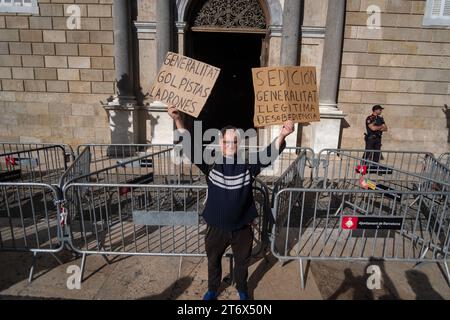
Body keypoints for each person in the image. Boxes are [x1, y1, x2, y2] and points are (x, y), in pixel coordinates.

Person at [167, 105, 295, 300]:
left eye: (234, 141)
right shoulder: (210, 164)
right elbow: (189, 147)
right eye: (227, 141)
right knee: (213, 261)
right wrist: (178, 120)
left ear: (239, 143)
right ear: (220, 142)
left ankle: (242, 289)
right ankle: (212, 289)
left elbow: (268, 155)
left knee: (242, 263)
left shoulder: (248, 166)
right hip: (215, 227)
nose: (230, 144)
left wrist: (282, 135)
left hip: (242, 228)